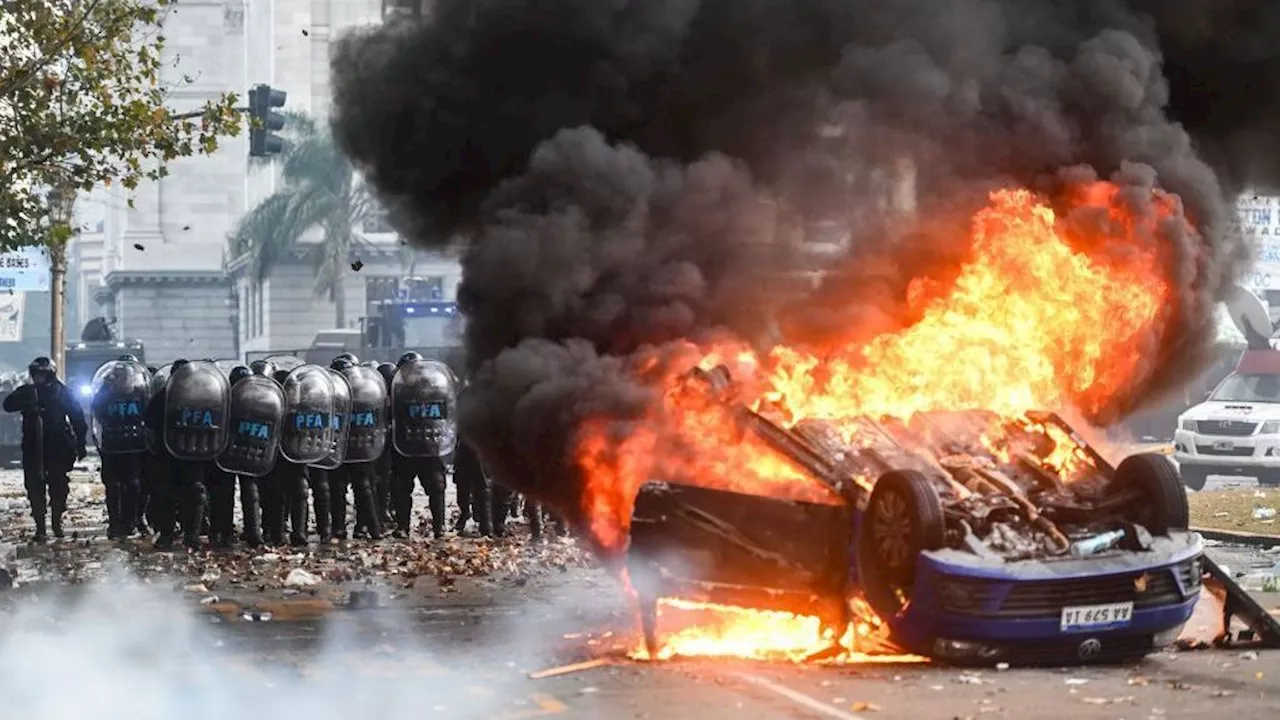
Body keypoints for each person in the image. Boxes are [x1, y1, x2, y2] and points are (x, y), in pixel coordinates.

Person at [2, 357, 88, 542]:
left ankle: (57, 522)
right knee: (34, 488)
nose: (39, 378)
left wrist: (81, 444)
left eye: (43, 374)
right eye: (36, 374)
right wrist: (27, 403)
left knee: (58, 488)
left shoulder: (62, 393)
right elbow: (7, 405)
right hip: (34, 449)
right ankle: (40, 527)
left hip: (58, 448)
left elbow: (78, 418)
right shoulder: (28, 392)